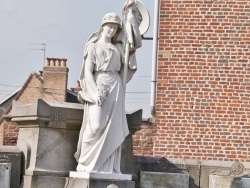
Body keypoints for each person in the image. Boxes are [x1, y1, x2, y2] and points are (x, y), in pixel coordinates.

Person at [74, 11, 141, 174]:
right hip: (99, 85)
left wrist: (133, 23)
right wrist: (96, 92)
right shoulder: (93, 47)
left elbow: (136, 43)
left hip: (115, 87)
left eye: (115, 28)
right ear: (103, 27)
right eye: (109, 26)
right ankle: (85, 162)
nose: (112, 30)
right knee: (96, 125)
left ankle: (108, 167)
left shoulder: (119, 47)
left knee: (113, 128)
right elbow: (88, 72)